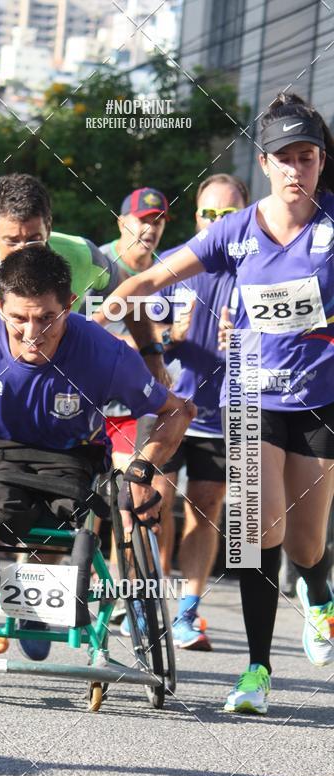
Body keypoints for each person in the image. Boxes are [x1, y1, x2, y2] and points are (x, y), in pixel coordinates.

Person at [97, 92, 334, 715]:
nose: (295, 170)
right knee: (260, 528)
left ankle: (317, 589)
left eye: (306, 158)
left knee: (307, 543)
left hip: (318, 402)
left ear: (320, 163)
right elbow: (155, 275)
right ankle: (257, 669)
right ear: (265, 163)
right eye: (284, 159)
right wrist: (109, 307)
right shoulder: (237, 229)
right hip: (251, 396)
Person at [0, 246, 195, 658]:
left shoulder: (104, 353)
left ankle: (34, 598)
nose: (33, 333)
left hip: (70, 452)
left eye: (47, 318)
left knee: (61, 517)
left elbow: (177, 411)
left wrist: (141, 471)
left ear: (71, 304)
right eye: (18, 319)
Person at [133, 174, 249, 651]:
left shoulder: (258, 267)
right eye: (208, 213)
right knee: (150, 503)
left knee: (206, 510)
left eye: (227, 214)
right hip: (168, 406)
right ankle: (144, 603)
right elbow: (145, 329)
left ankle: (187, 612)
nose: (216, 222)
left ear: (244, 214)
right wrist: (166, 337)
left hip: (225, 412)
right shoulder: (177, 261)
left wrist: (242, 342)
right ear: (197, 216)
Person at [0, 173, 169, 385]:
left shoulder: (83, 256)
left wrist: (151, 353)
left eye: (33, 240)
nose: (23, 253)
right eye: (11, 241)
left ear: (48, 225)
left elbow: (129, 295)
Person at [100, 187, 169, 471]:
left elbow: (176, 330)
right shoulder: (97, 263)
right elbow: (72, 323)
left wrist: (164, 337)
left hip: (142, 404)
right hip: (95, 399)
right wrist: (125, 341)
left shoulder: (170, 270)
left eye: (158, 221)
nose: (149, 229)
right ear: (121, 222)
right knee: (92, 499)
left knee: (138, 492)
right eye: (142, 220)